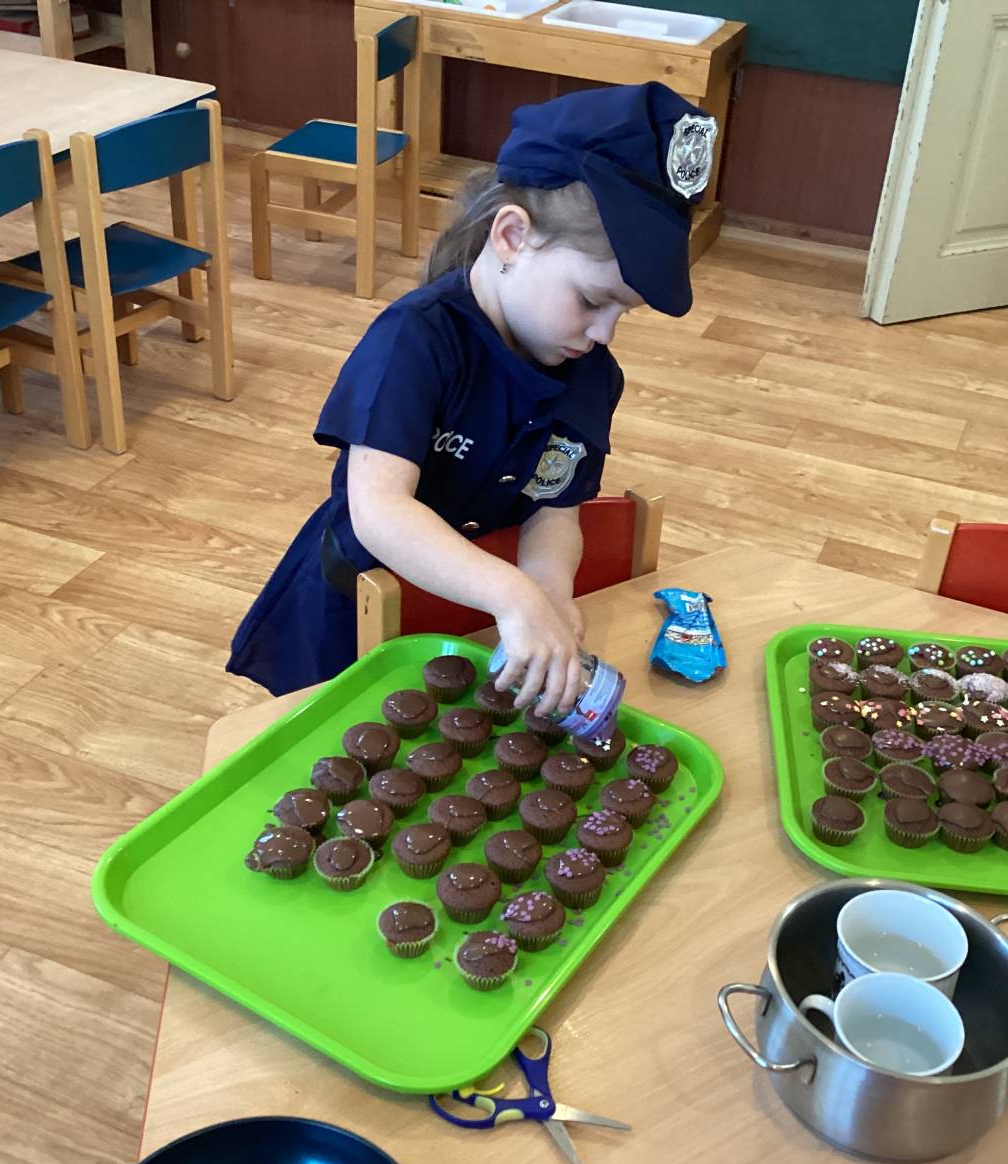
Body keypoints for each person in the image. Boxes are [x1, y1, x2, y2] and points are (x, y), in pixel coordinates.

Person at [227, 83, 719, 708]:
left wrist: (547, 592)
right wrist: (513, 595)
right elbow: (379, 509)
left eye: (624, 313)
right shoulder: (415, 340)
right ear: (511, 237)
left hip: (474, 614)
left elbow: (554, 510)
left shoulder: (592, 374)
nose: (604, 334)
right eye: (592, 301)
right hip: (362, 609)